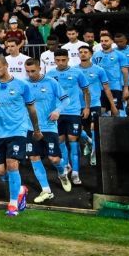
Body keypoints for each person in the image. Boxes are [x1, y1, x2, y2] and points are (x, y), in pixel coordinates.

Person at [0, 54, 42, 216]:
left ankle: (13, 203)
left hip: (17, 130)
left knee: (12, 164)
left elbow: (31, 109)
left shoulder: (22, 85)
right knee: (1, 171)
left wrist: (36, 129)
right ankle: (20, 189)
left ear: (6, 65)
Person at [23, 59, 65, 204]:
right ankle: (46, 190)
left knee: (54, 159)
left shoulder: (51, 82)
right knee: (34, 157)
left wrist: (57, 111)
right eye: (27, 71)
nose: (30, 74)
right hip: (31, 128)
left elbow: (65, 99)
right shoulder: (24, 84)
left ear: (40, 68)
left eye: (33, 71)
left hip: (49, 127)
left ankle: (62, 172)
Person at [48, 49, 90, 188]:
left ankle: (76, 173)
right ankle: (66, 166)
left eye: (63, 60)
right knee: (60, 141)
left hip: (73, 112)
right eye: (58, 60)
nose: (60, 63)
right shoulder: (50, 75)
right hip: (57, 113)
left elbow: (86, 91)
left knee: (73, 142)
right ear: (54, 60)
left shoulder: (77, 73)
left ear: (68, 59)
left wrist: (86, 107)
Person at [75, 46, 115, 167]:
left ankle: (94, 154)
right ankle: (88, 141)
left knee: (94, 128)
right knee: (78, 130)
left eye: (85, 52)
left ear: (91, 54)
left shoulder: (99, 70)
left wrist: (112, 105)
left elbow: (107, 88)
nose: (83, 54)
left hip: (95, 104)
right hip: (78, 105)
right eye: (80, 52)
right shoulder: (74, 70)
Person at [92, 33, 129, 115]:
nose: (103, 43)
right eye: (101, 41)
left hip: (115, 87)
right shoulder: (95, 55)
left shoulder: (119, 55)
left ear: (112, 41)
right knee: (100, 112)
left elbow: (125, 72)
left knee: (116, 111)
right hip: (100, 88)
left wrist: (126, 88)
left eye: (106, 41)